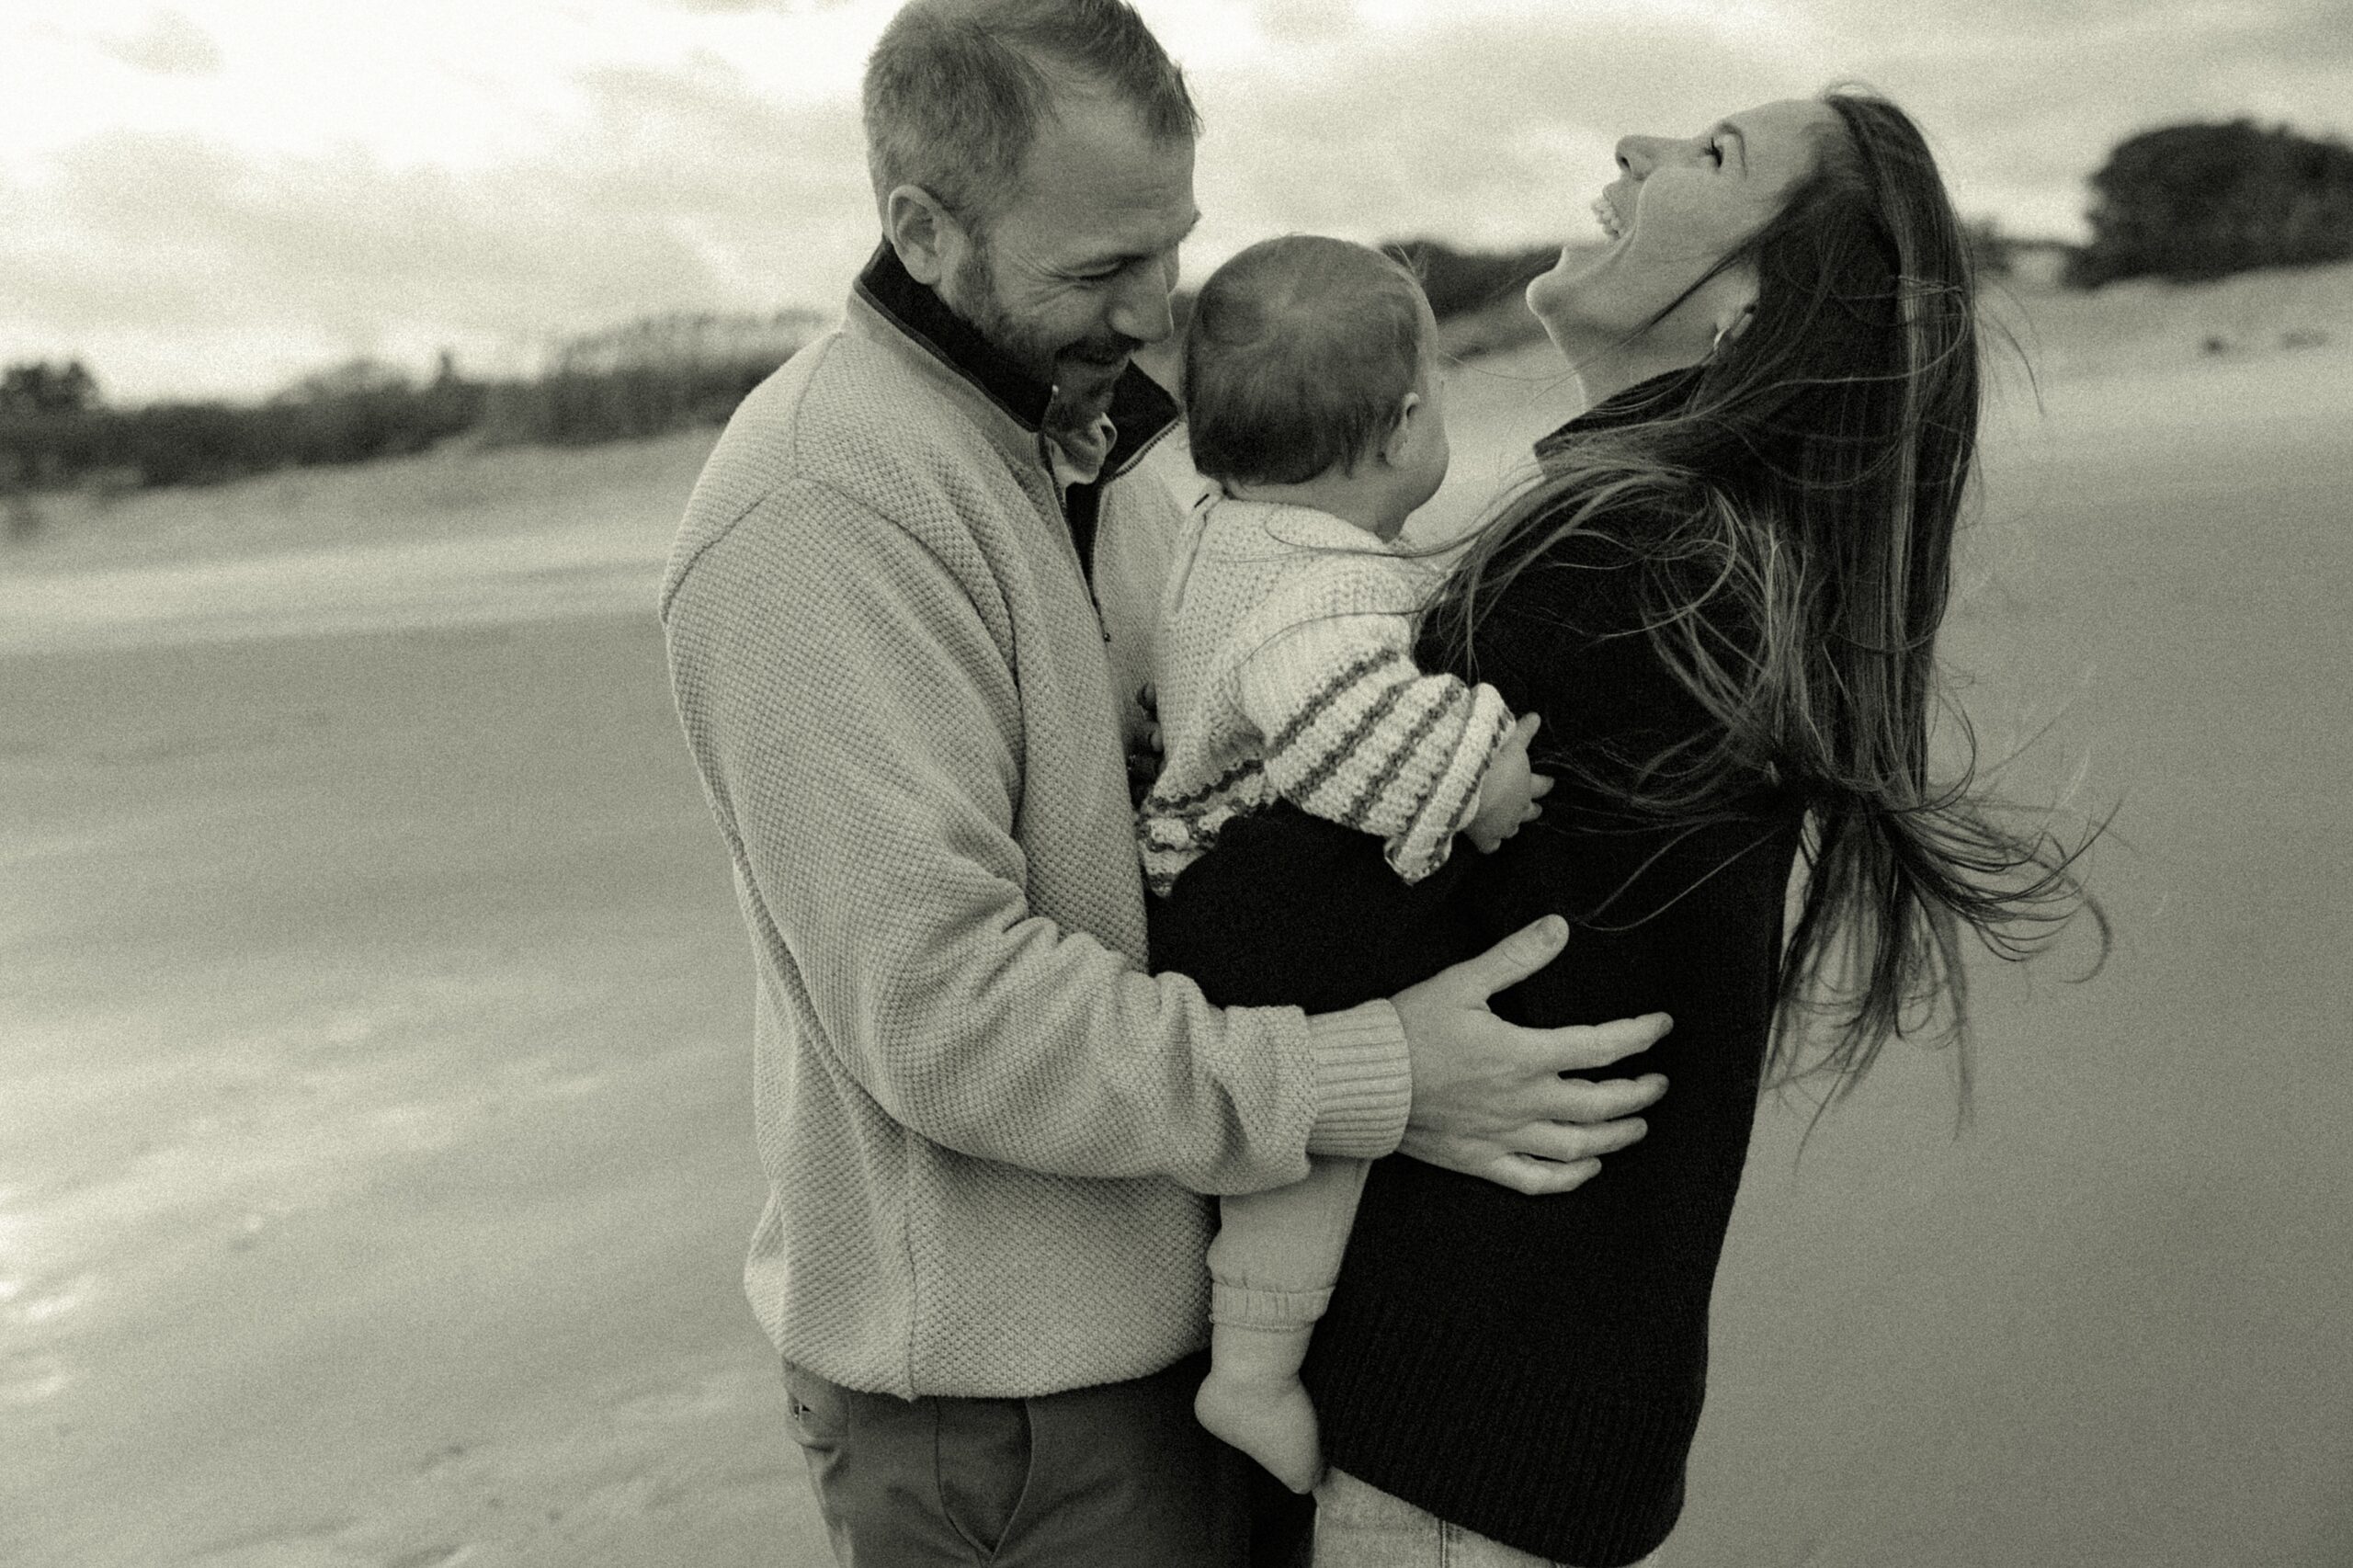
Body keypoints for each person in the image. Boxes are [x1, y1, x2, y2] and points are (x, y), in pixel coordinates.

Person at [657, 3, 1672, 1562]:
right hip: (1007, 1415)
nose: (1153, 317)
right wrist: (1373, 1075)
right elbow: (948, 1013)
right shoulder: (818, 512)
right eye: (1094, 272)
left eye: (1169, 250)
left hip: (1194, 1320)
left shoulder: (1113, 442)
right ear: (921, 229)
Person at [1148, 90, 2102, 1567]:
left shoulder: (1613, 553)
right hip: (1543, 1419)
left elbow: (1236, 942)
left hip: (1451, 1432)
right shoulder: (1711, 544)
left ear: (1749, 311)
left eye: (1710, 158)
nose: (1633, 153)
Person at [1137, 234, 1552, 1495]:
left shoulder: (1229, 535)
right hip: (1246, 902)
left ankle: (1258, 1358)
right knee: (1319, 1142)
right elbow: (1346, 732)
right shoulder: (1318, 591)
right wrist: (1482, 776)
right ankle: (1254, 1366)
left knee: (1317, 1129)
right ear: (1404, 424)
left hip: (1211, 873)